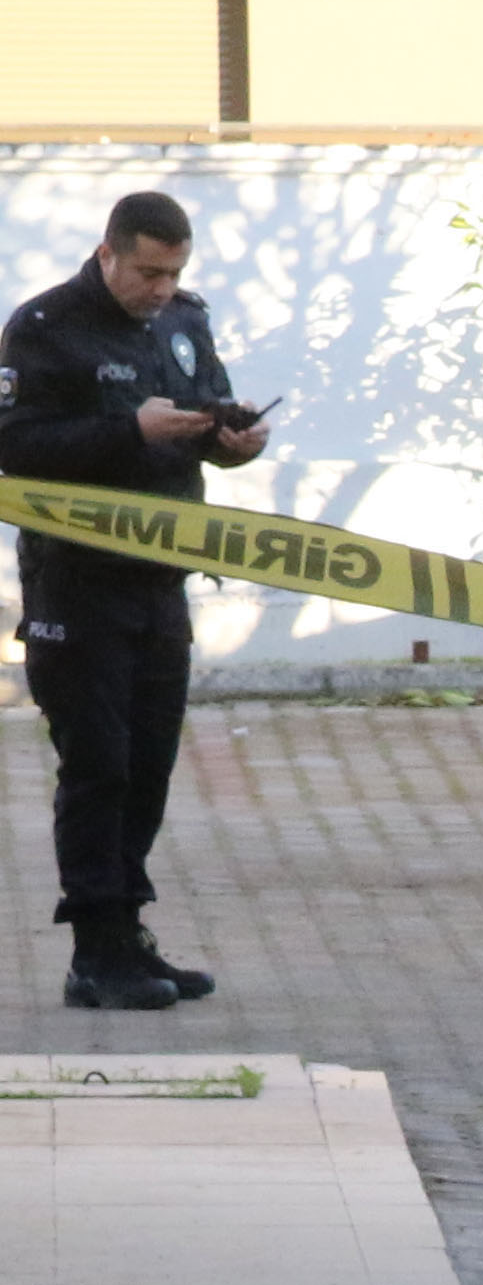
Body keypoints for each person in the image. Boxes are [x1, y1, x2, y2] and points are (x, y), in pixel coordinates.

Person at [0, 190, 261, 1013]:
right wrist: (129, 432)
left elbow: (207, 416)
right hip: (77, 583)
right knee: (99, 767)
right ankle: (94, 952)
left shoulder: (184, 322)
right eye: (148, 271)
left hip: (161, 582)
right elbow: (14, 446)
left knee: (147, 766)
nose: (160, 287)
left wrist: (234, 442)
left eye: (174, 272)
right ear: (108, 253)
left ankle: (128, 934)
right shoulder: (45, 329)